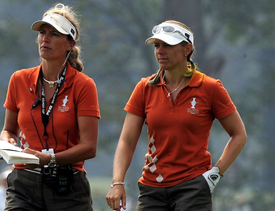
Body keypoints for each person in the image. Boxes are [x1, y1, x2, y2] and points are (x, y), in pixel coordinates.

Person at [106, 20, 247, 211]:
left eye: (168, 45)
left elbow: (239, 134)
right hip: (151, 189)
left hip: (193, 188)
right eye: (157, 45)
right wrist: (117, 182)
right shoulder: (144, 88)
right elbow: (127, 140)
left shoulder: (211, 88)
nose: (160, 51)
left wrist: (215, 174)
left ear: (187, 49)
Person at [0, 3, 100, 211]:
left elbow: (89, 147)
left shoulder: (83, 85)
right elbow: (8, 129)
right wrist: (7, 141)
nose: (45, 38)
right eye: (43, 33)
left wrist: (50, 158)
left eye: (54, 34)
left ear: (70, 44)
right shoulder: (18, 79)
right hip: (23, 186)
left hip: (68, 187)